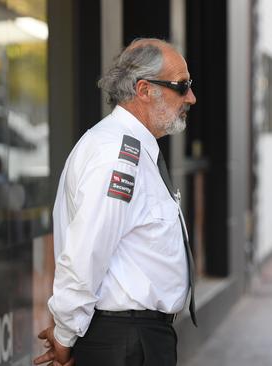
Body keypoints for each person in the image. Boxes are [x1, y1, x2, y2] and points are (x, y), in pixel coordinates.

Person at [33, 38, 197, 366]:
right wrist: (65, 336)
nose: (191, 97)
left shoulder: (132, 149)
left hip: (137, 338)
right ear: (144, 89)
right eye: (182, 86)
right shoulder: (118, 155)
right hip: (125, 341)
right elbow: (85, 253)